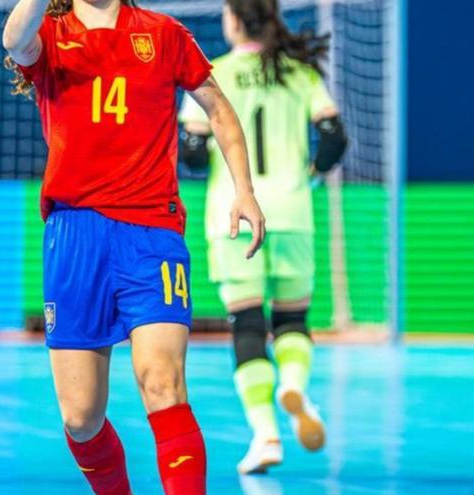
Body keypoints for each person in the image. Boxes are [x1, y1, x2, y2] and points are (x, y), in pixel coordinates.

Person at [4, 0, 266, 493]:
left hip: (152, 232)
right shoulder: (52, 33)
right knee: (81, 418)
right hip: (75, 235)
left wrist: (244, 189)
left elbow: (219, 109)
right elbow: (14, 39)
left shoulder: (164, 34)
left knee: (163, 384)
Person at [179, 0, 347, 476]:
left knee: (247, 324)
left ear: (234, 20)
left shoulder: (212, 73)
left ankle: (266, 434)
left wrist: (207, 157)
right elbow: (334, 137)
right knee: (293, 317)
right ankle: (293, 383)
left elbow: (191, 152)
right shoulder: (299, 71)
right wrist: (310, 175)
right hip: (292, 210)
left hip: (233, 214)